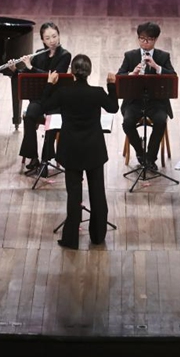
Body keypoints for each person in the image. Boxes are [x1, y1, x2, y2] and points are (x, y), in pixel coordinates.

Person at [42, 54, 118, 249]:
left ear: (72, 72)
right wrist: (111, 85)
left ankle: (70, 239)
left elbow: (44, 105)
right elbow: (113, 107)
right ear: (89, 72)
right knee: (97, 193)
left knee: (73, 195)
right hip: (93, 149)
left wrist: (50, 84)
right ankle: (98, 236)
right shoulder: (98, 92)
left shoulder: (64, 93)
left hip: (71, 149)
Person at [8, 22, 72, 171]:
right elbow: (28, 77)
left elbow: (53, 77)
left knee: (51, 121)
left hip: (56, 99)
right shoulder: (38, 54)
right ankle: (33, 157)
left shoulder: (65, 55)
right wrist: (15, 70)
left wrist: (31, 67)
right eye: (48, 38)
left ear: (59, 35)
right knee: (29, 116)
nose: (52, 40)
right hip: (39, 97)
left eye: (54, 36)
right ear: (43, 40)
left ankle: (46, 159)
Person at [116, 22, 177, 171]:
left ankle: (150, 157)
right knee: (127, 123)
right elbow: (119, 76)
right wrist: (132, 74)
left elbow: (173, 76)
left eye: (148, 39)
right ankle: (141, 153)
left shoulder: (163, 56)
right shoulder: (130, 56)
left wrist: (157, 67)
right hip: (134, 101)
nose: (145, 42)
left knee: (160, 121)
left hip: (156, 102)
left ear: (155, 39)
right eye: (141, 39)